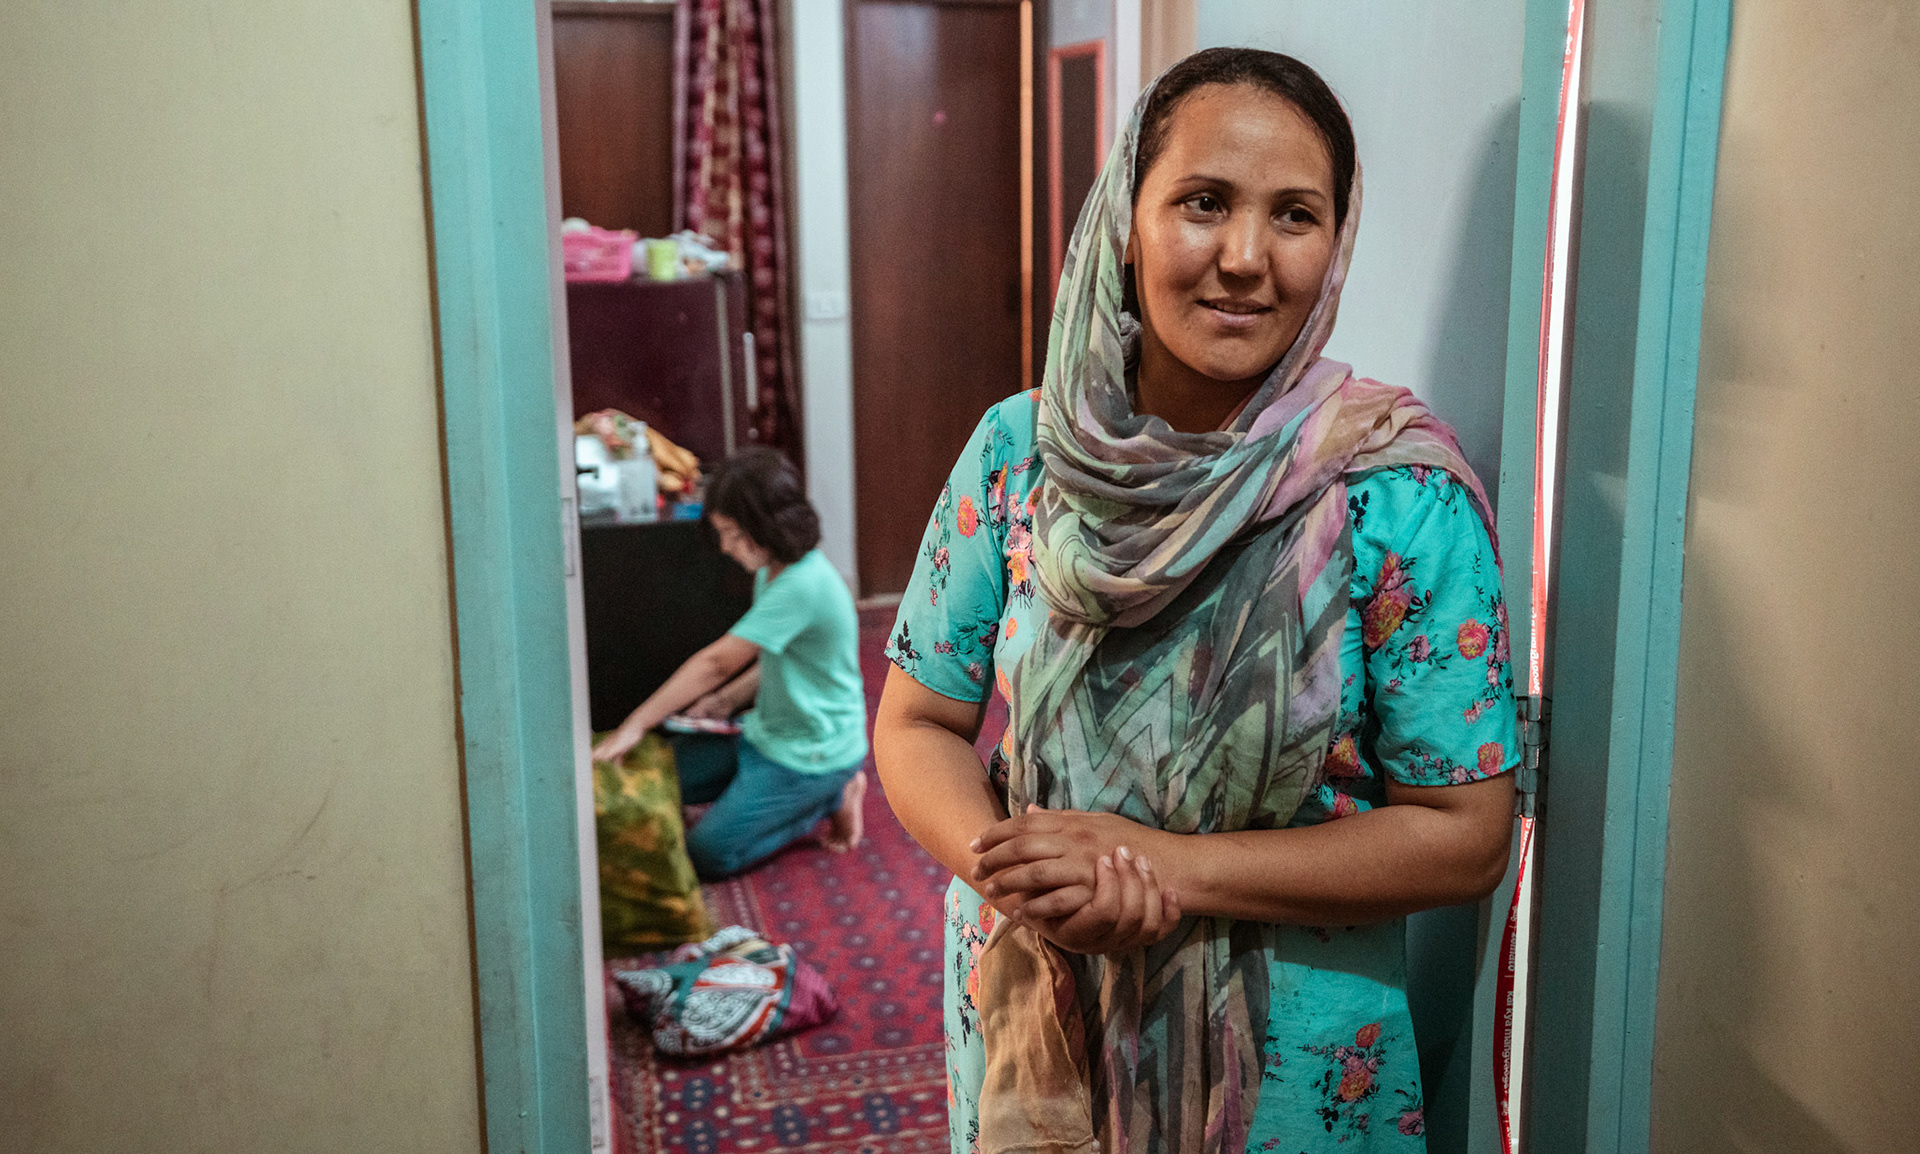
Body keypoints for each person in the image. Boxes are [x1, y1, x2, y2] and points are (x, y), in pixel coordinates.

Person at [873, 48, 1518, 1154]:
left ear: (1337, 242)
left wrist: (1169, 870)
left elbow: (1464, 835)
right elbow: (917, 720)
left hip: (1292, 1075)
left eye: (1296, 215)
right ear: (1129, 218)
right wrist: (1024, 873)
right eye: (1204, 203)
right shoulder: (1020, 456)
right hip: (1041, 1022)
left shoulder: (1394, 493)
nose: (1245, 258)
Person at [592, 447, 869, 879]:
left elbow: (716, 662)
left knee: (706, 854)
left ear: (766, 526)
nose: (724, 547)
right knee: (663, 780)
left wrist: (636, 723)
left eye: (731, 533)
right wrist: (725, 701)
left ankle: (831, 796)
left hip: (812, 754)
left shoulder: (803, 584)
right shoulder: (771, 572)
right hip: (764, 734)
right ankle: (813, 793)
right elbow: (776, 659)